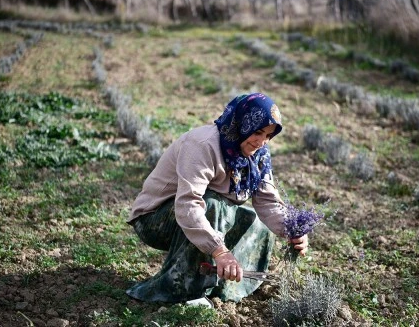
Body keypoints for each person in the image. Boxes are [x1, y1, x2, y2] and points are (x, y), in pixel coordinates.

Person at [126, 92, 309, 305]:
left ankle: (223, 284)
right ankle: (187, 290)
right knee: (211, 203)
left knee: (253, 220)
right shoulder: (203, 144)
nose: (262, 141)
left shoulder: (258, 155)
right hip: (154, 220)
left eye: (268, 136)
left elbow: (267, 201)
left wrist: (292, 229)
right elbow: (188, 204)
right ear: (242, 124)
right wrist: (220, 251)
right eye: (257, 132)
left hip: (196, 215)